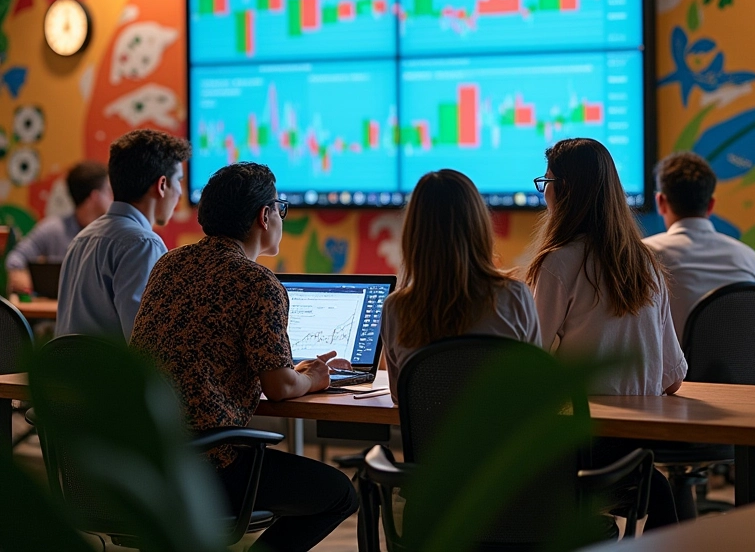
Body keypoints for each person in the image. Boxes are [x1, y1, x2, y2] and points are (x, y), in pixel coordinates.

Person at [130, 162, 358, 552]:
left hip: (145, 458)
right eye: (280, 208)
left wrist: (292, 372)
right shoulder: (256, 282)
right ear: (264, 216)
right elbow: (280, 387)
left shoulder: (169, 264)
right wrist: (314, 377)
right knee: (340, 494)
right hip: (207, 464)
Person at [527, 138, 686, 529]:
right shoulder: (647, 264)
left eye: (544, 182)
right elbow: (673, 378)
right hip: (635, 457)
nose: (543, 191)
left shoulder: (558, 264)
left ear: (561, 191)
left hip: (573, 454)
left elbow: (525, 369)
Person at [381, 169, 541, 403]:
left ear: (413, 234)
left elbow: (399, 396)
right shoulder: (514, 296)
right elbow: (536, 383)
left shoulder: (396, 308)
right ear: (479, 226)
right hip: (504, 439)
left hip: (433, 440)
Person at [56, 129, 190, 340]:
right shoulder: (143, 244)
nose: (181, 192)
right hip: (112, 373)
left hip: (66, 371)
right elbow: (146, 343)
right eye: (179, 181)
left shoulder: (82, 238)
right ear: (162, 185)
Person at [644, 151, 755, 339]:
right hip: (741, 368)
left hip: (674, 369)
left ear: (661, 201)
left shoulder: (643, 257)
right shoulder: (750, 259)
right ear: (711, 205)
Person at [5, 160, 112, 295]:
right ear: (94, 196)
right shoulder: (53, 229)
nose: (113, 197)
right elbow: (15, 259)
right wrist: (24, 278)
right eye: (108, 190)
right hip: (54, 312)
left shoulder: (112, 234)